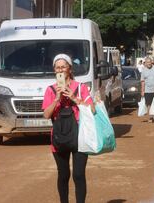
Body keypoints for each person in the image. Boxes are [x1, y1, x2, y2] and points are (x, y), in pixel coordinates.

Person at [42, 54, 94, 203]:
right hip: (59, 137)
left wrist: (74, 98)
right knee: (63, 175)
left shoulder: (80, 87)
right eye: (57, 67)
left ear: (69, 69)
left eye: (63, 67)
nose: (60, 70)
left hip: (80, 136)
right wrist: (57, 98)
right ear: (54, 70)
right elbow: (46, 115)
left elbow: (92, 109)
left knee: (78, 175)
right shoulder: (50, 90)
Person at [141, 57, 154, 122]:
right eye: (147, 62)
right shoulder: (143, 70)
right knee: (149, 104)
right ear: (145, 63)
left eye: (149, 62)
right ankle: (151, 117)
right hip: (147, 90)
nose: (149, 63)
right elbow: (142, 81)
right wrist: (142, 91)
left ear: (152, 62)